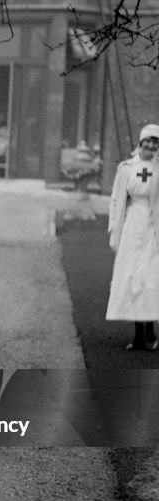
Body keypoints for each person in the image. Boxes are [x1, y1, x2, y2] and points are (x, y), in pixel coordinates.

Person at [105, 124, 159, 351]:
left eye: (155, 142)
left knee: (149, 278)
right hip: (132, 225)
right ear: (140, 142)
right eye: (147, 140)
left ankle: (150, 333)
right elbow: (116, 199)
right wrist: (113, 227)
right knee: (131, 277)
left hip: (153, 226)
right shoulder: (126, 169)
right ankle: (138, 335)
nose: (151, 145)